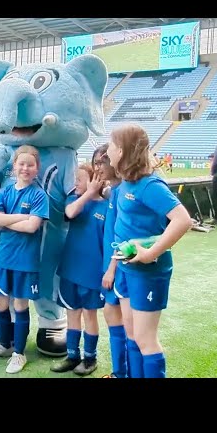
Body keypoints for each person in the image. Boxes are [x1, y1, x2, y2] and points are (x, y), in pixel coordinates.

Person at [106, 124, 191, 378]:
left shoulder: (149, 185)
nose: (107, 150)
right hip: (126, 268)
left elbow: (182, 220)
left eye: (110, 145)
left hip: (147, 272)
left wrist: (151, 252)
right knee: (132, 335)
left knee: (145, 339)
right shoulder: (126, 183)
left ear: (120, 151)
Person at [0, 145, 49, 374]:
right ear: (14, 166)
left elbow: (32, 227)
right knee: (0, 304)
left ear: (37, 168)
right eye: (21, 163)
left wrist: (5, 220)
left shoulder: (39, 195)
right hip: (4, 258)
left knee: (20, 305)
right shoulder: (4, 192)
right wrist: (20, 216)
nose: (25, 168)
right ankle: (4, 345)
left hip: (25, 261)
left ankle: (19, 353)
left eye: (30, 164)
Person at [51, 163, 106, 376]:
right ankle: (72, 355)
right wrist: (87, 194)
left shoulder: (106, 206)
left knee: (90, 315)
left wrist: (95, 193)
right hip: (70, 269)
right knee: (72, 314)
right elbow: (70, 212)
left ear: (94, 181)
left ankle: (90, 358)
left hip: (93, 274)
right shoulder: (74, 200)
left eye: (79, 179)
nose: (75, 183)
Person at [94, 144, 127, 378]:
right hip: (111, 265)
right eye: (95, 163)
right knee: (112, 316)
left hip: (119, 268)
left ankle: (123, 373)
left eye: (101, 163)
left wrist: (112, 269)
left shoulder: (124, 191)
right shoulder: (114, 191)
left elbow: (123, 236)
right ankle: (120, 372)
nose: (98, 168)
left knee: (126, 323)